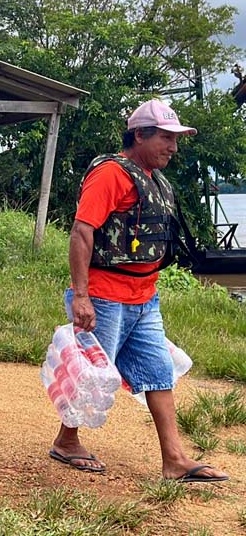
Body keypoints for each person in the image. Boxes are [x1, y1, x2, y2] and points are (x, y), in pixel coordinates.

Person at [51, 99, 228, 484]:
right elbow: (82, 231)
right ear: (139, 135)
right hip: (104, 295)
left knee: (158, 372)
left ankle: (175, 460)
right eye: (165, 138)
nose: (172, 147)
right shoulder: (111, 174)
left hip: (145, 297)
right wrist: (81, 295)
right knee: (94, 376)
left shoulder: (153, 178)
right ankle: (67, 442)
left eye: (175, 139)